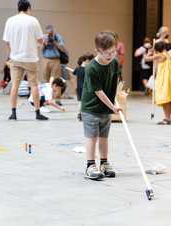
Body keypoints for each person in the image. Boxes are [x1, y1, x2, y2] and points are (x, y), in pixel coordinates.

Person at [81, 31, 121, 180]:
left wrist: (115, 98)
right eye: (106, 53)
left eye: (113, 51)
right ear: (98, 51)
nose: (110, 56)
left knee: (104, 137)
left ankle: (104, 163)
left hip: (106, 107)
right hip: (91, 108)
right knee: (92, 137)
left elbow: (115, 82)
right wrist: (112, 106)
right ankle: (90, 165)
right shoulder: (92, 68)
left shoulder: (115, 63)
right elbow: (98, 92)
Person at [3, 0, 48, 121]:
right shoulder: (33, 20)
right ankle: (38, 113)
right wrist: (40, 45)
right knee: (34, 85)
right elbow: (40, 40)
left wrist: (12, 53)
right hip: (30, 58)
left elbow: (7, 41)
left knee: (15, 86)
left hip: (15, 58)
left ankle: (13, 113)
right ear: (28, 8)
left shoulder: (10, 20)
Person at [146, 41, 171, 125]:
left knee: (165, 98)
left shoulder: (159, 55)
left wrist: (149, 52)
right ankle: (168, 118)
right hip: (168, 79)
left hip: (164, 79)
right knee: (167, 99)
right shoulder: (166, 53)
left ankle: (167, 118)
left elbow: (146, 59)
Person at [73, 53, 94, 120]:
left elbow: (73, 73)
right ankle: (83, 114)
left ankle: (79, 114)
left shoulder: (78, 68)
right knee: (86, 101)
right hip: (86, 88)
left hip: (78, 88)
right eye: (91, 61)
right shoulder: (88, 69)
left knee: (80, 102)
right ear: (87, 60)